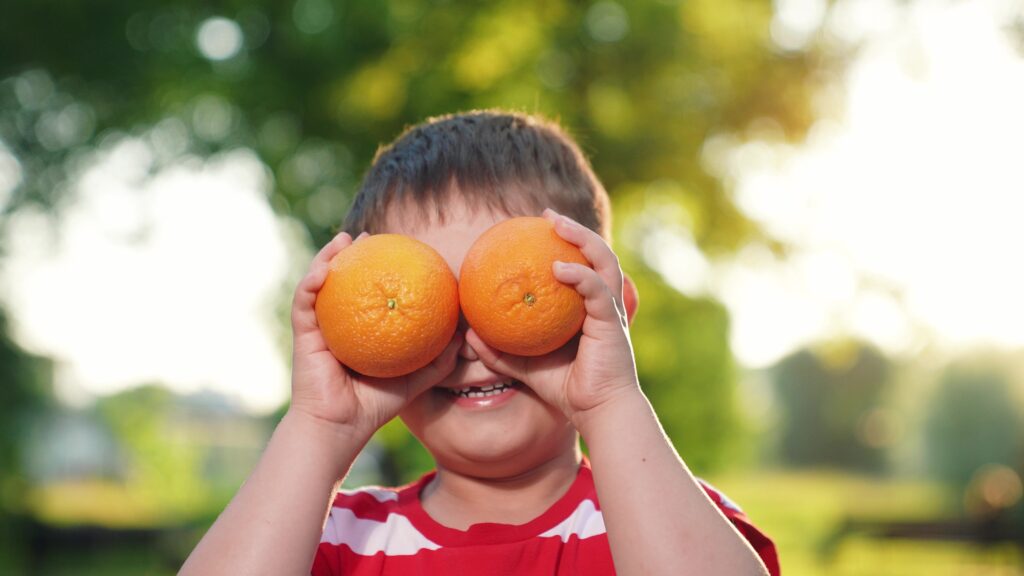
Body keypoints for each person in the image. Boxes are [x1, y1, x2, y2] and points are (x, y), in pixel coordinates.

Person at [181, 110, 779, 575]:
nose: (470, 343)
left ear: (613, 314)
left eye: (500, 297)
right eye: (435, 305)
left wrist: (611, 403)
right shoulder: (330, 538)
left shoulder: (672, 517)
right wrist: (317, 427)